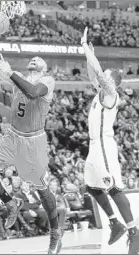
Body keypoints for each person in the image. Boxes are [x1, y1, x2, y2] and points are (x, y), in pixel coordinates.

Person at [0, 21, 62, 254]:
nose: (34, 59)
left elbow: (32, 92)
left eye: (39, 59)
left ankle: (56, 233)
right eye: (32, 59)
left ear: (44, 69)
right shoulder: (17, 80)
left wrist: (11, 72)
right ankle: (11, 202)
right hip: (12, 137)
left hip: (33, 142)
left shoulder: (48, 81)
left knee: (41, 188)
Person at [81, 27, 139, 254]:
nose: (100, 76)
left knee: (113, 187)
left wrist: (87, 49)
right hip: (93, 146)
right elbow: (91, 73)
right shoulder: (99, 93)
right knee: (92, 187)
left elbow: (96, 71)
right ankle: (115, 223)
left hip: (104, 145)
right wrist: (89, 54)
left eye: (105, 75)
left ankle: (135, 233)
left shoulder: (111, 95)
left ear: (112, 82)